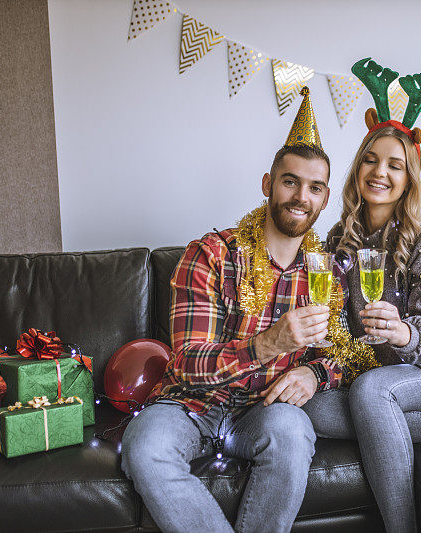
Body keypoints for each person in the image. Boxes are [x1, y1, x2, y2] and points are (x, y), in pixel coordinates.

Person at [121, 88, 348, 533]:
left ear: (324, 200)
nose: (301, 196)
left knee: (294, 433)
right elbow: (186, 362)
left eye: (314, 188)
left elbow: (342, 352)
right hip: (190, 404)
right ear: (268, 184)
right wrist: (267, 345)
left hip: (263, 409)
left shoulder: (325, 272)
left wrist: (315, 374)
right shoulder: (211, 254)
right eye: (290, 181)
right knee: (143, 447)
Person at [301, 58, 421, 533]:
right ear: (358, 167)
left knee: (371, 390)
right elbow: (338, 335)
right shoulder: (338, 240)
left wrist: (402, 331)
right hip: (378, 381)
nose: (379, 172)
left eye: (395, 165)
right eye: (370, 159)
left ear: (408, 178)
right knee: (312, 405)